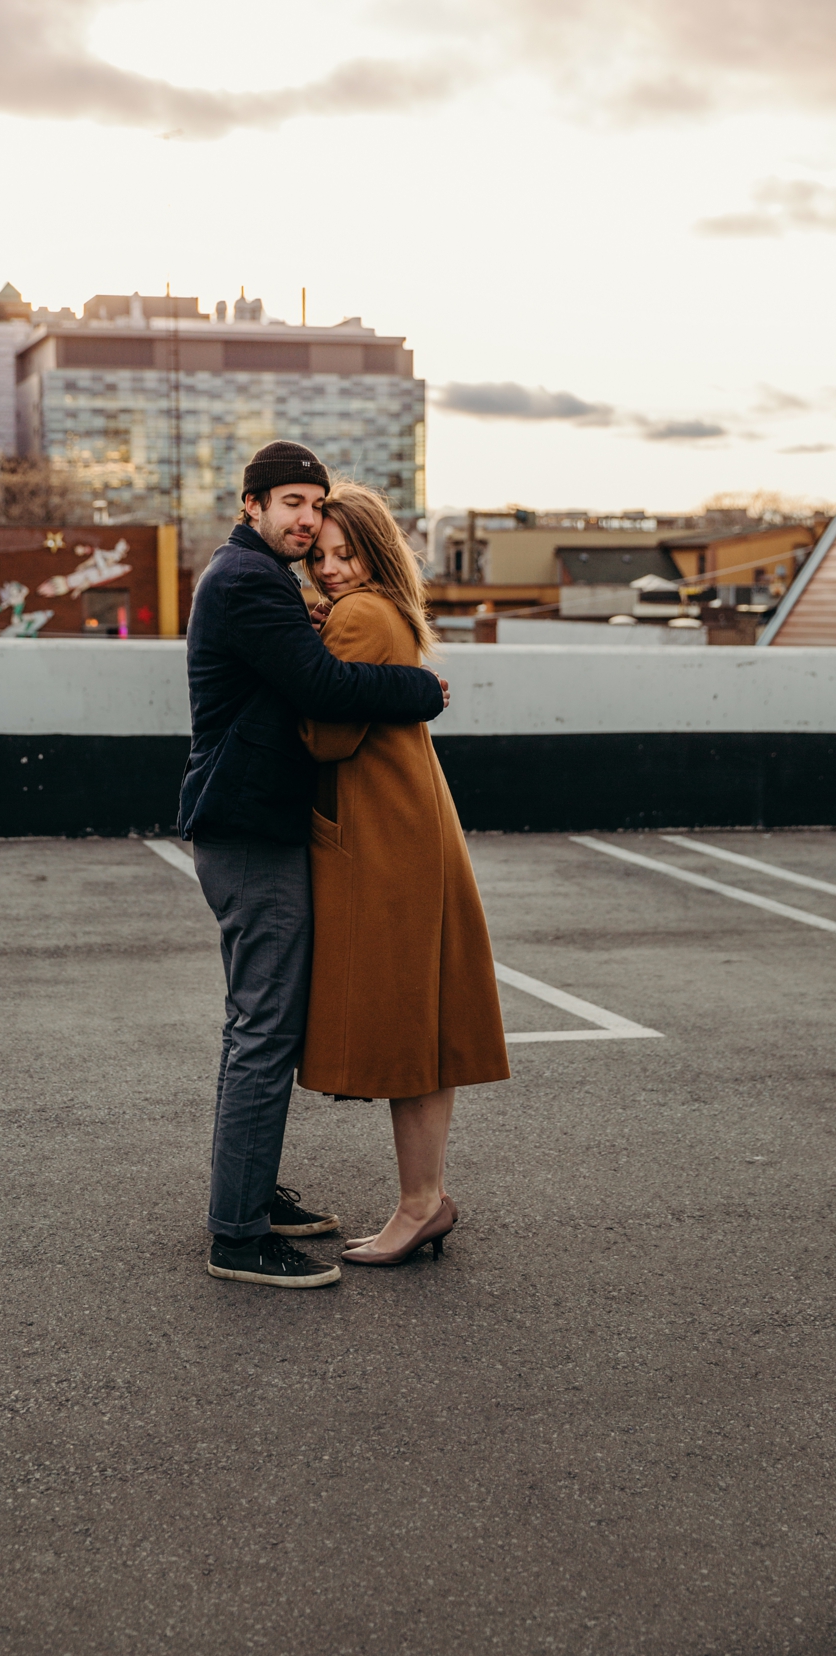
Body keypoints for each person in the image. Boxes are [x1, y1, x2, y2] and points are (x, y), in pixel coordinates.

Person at [179, 442, 449, 1290]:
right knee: (264, 1030)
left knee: (254, 1026)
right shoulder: (248, 579)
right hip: (253, 830)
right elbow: (323, 687)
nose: (305, 521)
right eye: (292, 503)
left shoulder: (253, 573)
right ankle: (237, 1235)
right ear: (251, 504)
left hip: (250, 824)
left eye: (316, 506)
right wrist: (422, 690)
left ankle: (249, 1193)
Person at [297, 481, 510, 1266]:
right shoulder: (387, 611)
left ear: (377, 551)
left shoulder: (357, 615)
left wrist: (300, 661)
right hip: (413, 830)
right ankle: (426, 1199)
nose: (331, 569)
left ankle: (422, 1202)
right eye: (320, 556)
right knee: (424, 1024)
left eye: (347, 553)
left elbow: (325, 737)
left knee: (404, 1023)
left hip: (383, 841)